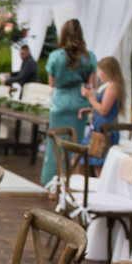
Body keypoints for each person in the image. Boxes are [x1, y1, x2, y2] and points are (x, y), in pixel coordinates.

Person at [40, 18, 96, 187]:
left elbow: (51, 83)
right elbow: (91, 85)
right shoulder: (89, 57)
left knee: (54, 145)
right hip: (79, 104)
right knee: (74, 145)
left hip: (60, 103)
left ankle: (50, 182)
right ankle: (68, 183)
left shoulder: (55, 56)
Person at [79, 55, 125, 171]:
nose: (99, 75)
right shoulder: (112, 86)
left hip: (103, 132)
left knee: (96, 165)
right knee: (89, 163)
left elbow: (104, 111)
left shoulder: (112, 88)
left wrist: (90, 97)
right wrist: (90, 110)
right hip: (100, 130)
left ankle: (88, 188)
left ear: (107, 72)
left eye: (100, 71)